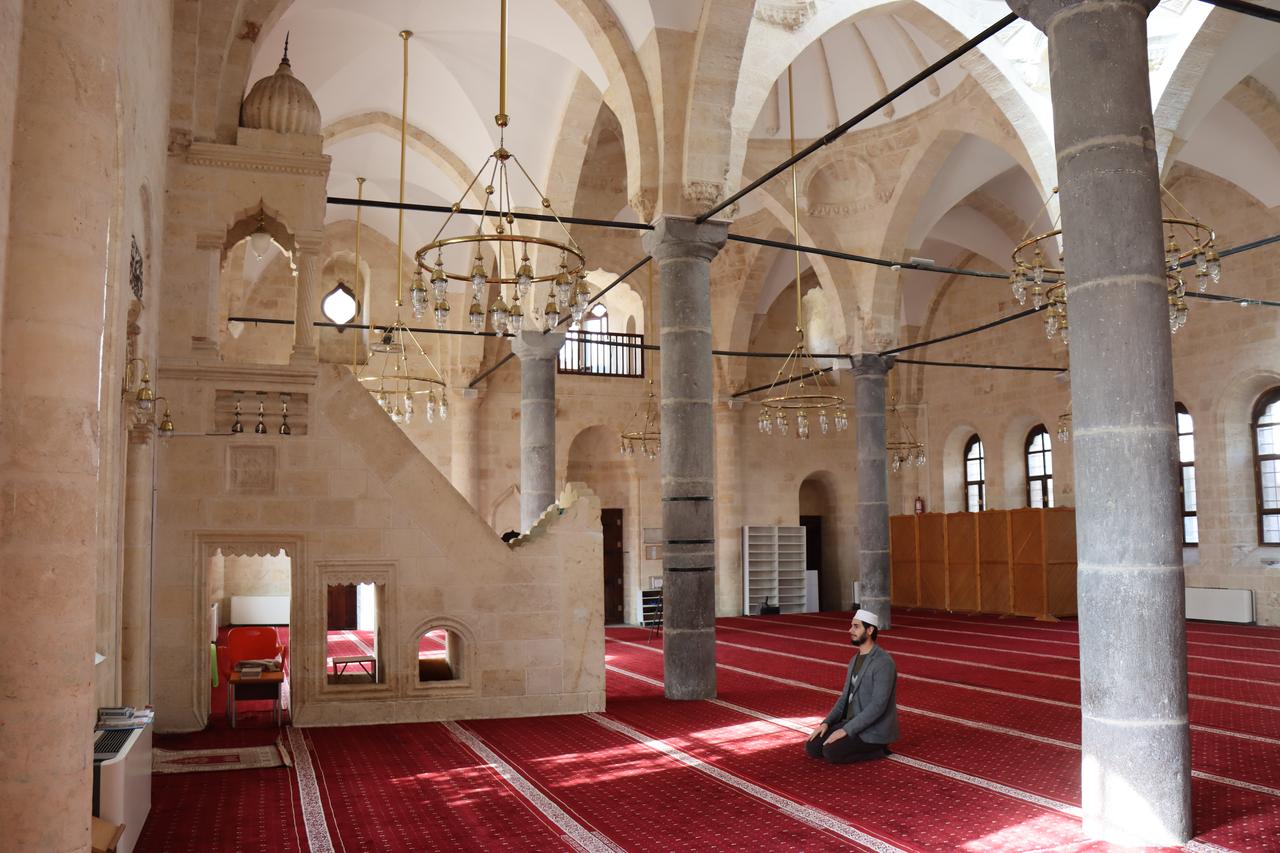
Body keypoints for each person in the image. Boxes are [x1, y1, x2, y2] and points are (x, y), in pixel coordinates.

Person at [804, 608, 899, 764]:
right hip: (852, 722)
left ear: (870, 630)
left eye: (856, 626)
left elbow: (878, 706)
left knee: (831, 752)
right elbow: (845, 698)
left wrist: (845, 731)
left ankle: (879, 750)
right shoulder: (854, 659)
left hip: (873, 729)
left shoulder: (883, 663)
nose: (850, 630)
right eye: (851, 626)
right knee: (813, 747)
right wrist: (826, 723)